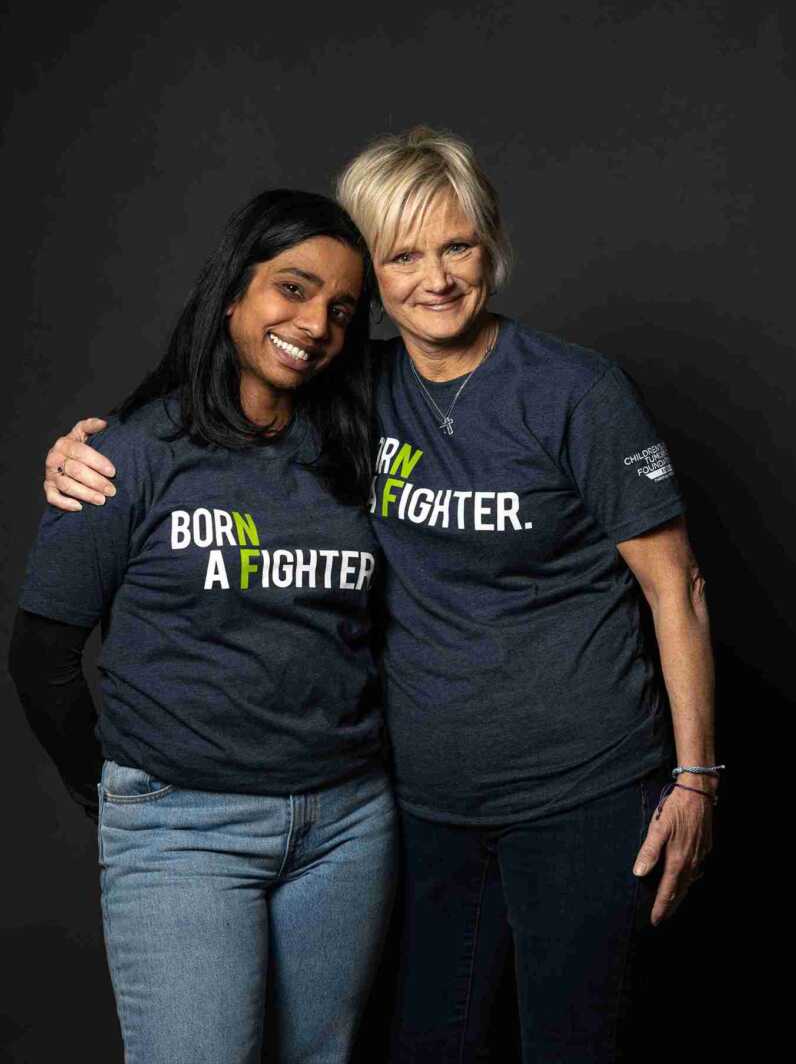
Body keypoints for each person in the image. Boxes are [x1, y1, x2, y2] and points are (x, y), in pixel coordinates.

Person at [41, 128, 720, 1064]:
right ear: (373, 277)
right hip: (424, 802)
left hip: (580, 789)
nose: (435, 278)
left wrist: (696, 775)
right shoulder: (355, 387)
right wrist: (95, 446)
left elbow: (675, 586)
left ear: (491, 250)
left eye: (458, 247)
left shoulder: (576, 392)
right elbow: (214, 404)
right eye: (403, 255)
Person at [10, 188, 397, 1064]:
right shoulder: (128, 459)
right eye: (292, 289)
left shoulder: (359, 440)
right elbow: (40, 658)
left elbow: (457, 336)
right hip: (184, 828)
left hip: (347, 826)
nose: (317, 323)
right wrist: (116, 792)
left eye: (342, 308)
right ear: (233, 291)